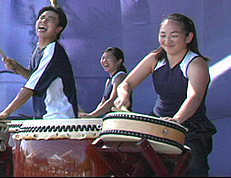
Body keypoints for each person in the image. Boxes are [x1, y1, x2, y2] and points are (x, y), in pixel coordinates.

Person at [114, 13, 217, 176]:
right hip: (158, 124)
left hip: (191, 129)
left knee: (191, 170)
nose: (167, 41)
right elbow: (126, 83)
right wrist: (124, 95)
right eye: (163, 35)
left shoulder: (196, 64)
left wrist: (176, 120)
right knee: (139, 166)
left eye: (174, 36)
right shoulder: (154, 59)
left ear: (189, 37)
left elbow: (194, 97)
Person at [0, 6, 78, 120]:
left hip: (60, 118)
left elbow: (33, 85)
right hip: (47, 117)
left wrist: (6, 112)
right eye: (42, 17)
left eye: (50, 19)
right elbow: (33, 76)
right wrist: (17, 67)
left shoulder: (54, 51)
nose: (44, 20)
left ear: (59, 29)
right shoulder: (38, 49)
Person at [79, 47, 131, 118]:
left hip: (121, 120)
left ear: (119, 61)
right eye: (103, 58)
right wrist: (92, 116)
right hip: (110, 119)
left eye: (108, 58)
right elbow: (103, 102)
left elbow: (112, 101)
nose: (104, 61)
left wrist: (92, 115)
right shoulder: (109, 80)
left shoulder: (120, 77)